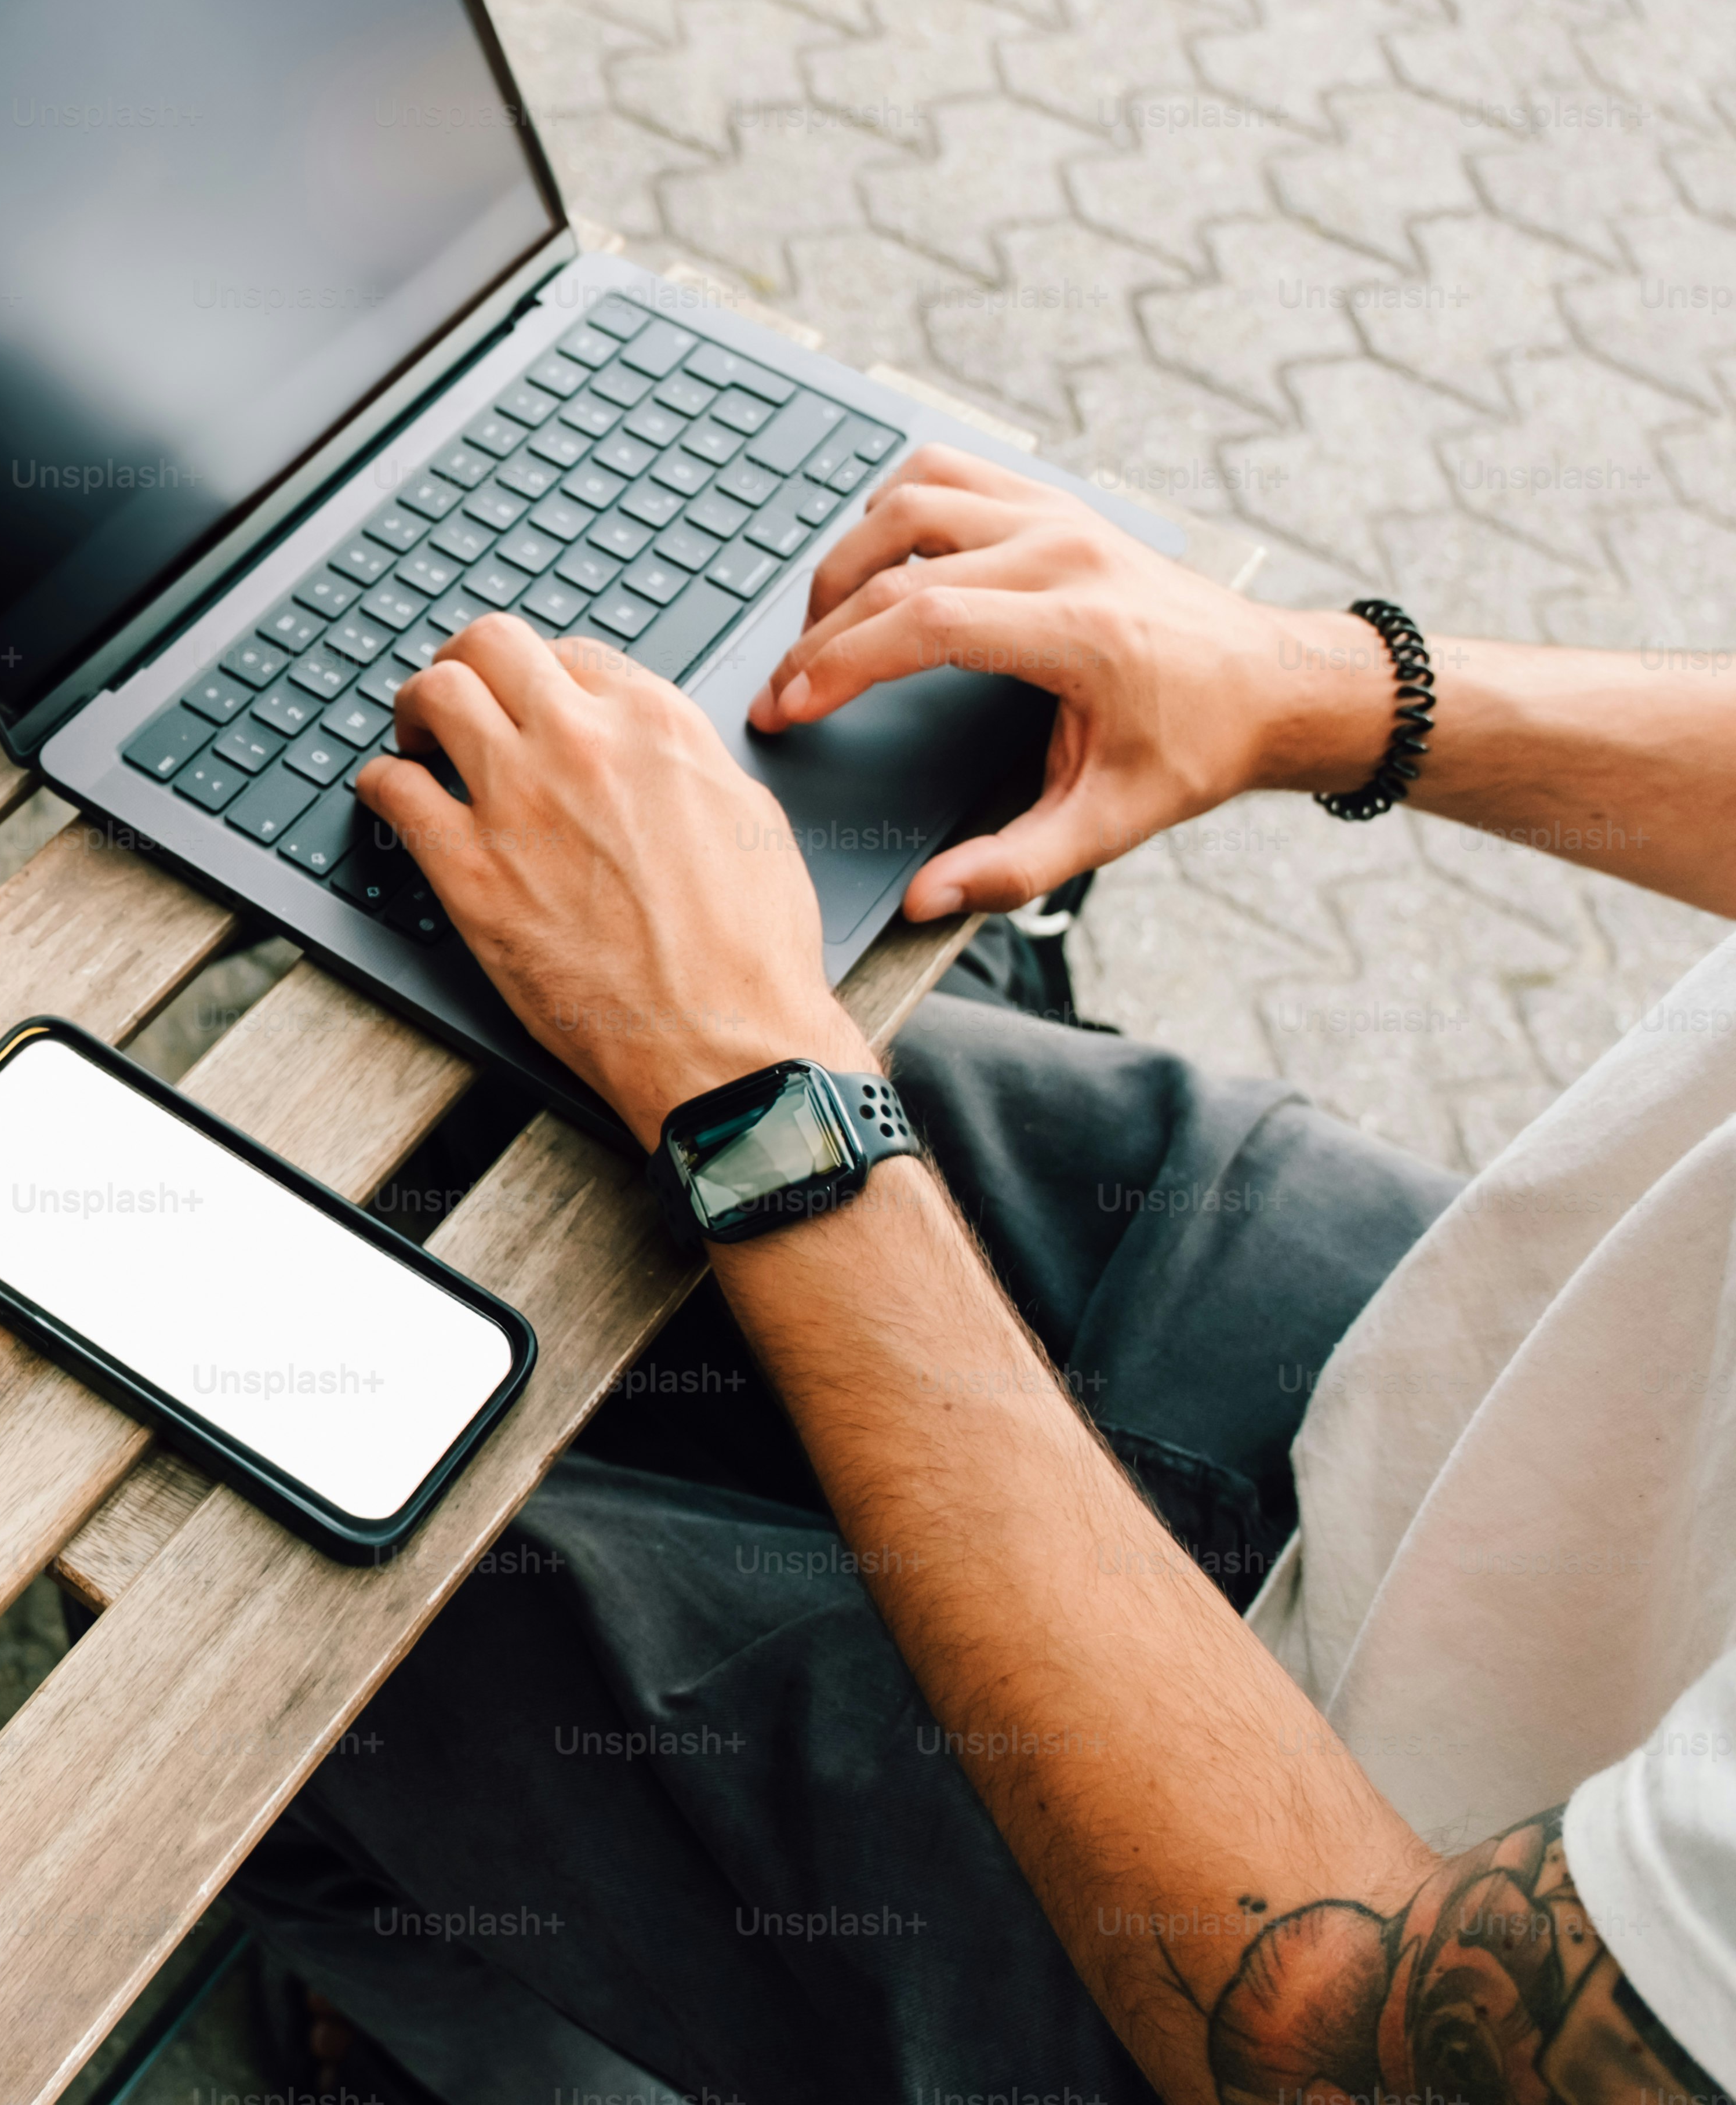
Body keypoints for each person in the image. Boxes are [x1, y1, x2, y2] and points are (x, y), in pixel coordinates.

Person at [229, 444, 1736, 2105]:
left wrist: (757, 1080)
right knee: (523, 1027)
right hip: (1495, 1388)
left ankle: (464, 2025)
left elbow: (1353, 2051)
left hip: (1290, 1954)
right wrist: (1331, 688)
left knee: (261, 1569)